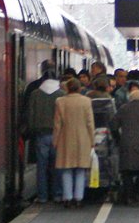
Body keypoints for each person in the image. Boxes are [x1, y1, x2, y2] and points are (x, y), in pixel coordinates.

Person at [53, 77, 95, 208]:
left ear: (67, 88)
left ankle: (67, 197)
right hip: (83, 139)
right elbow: (90, 123)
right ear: (79, 88)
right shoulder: (86, 101)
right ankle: (78, 198)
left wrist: (55, 141)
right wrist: (92, 140)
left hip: (65, 139)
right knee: (80, 170)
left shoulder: (60, 102)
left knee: (66, 169)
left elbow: (57, 124)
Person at [26, 65, 64, 203]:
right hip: (57, 135)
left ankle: (42, 196)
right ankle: (57, 194)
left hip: (41, 134)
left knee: (41, 167)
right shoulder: (61, 95)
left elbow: (31, 114)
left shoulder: (35, 94)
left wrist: (32, 130)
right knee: (57, 166)